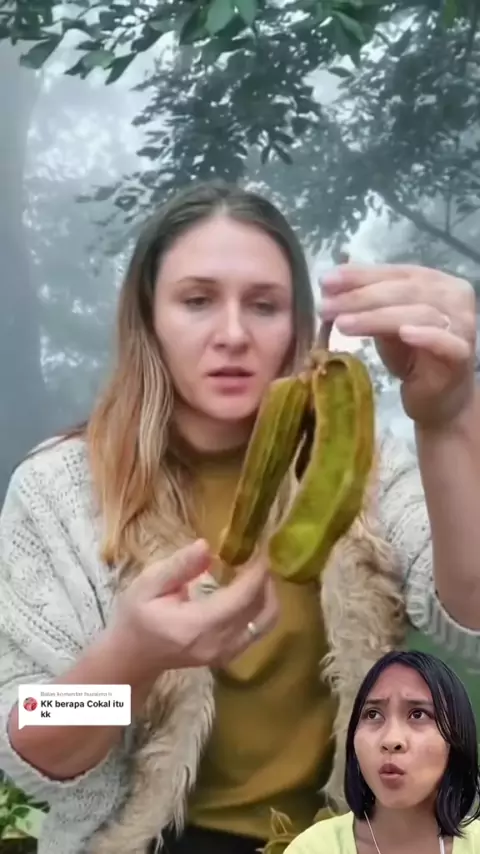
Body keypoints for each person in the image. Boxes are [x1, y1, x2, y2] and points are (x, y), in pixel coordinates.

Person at [0, 180, 479, 854]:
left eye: (264, 305)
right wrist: (133, 658)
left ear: (296, 324)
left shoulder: (363, 467)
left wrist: (450, 416)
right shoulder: (58, 490)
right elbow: (29, 741)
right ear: (149, 318)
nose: (232, 335)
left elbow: (471, 623)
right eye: (197, 300)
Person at [284, 649, 480, 853]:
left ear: (456, 738)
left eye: (418, 714)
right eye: (373, 714)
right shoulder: (313, 848)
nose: (391, 740)